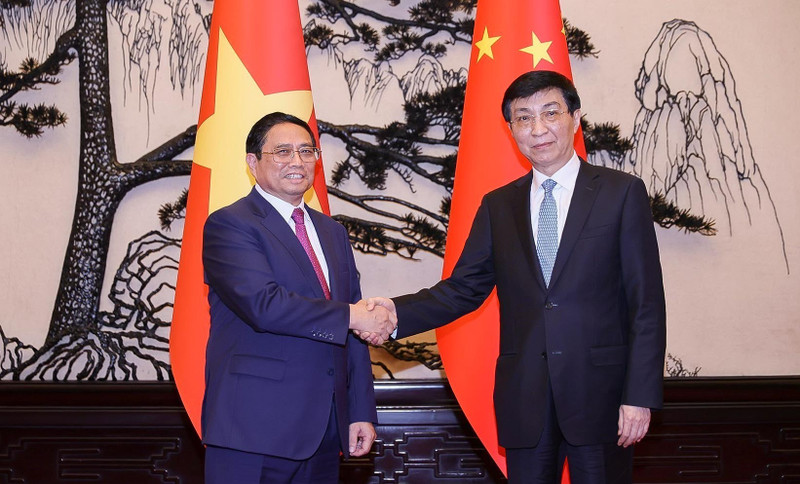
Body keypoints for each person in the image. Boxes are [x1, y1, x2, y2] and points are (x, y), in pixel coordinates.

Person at [362, 71, 666, 484]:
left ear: (575, 117)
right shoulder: (498, 205)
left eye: (550, 113)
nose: (538, 129)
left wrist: (639, 396)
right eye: (523, 118)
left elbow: (645, 303)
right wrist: (396, 312)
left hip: (603, 399)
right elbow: (463, 289)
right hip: (525, 399)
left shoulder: (621, 192)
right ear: (511, 130)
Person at [201, 112, 396, 483]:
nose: (297, 161)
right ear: (252, 162)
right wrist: (355, 317)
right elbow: (264, 305)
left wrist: (359, 411)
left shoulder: (332, 231)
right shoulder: (231, 224)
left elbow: (352, 323)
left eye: (307, 151)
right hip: (253, 428)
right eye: (283, 151)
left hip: (325, 430)